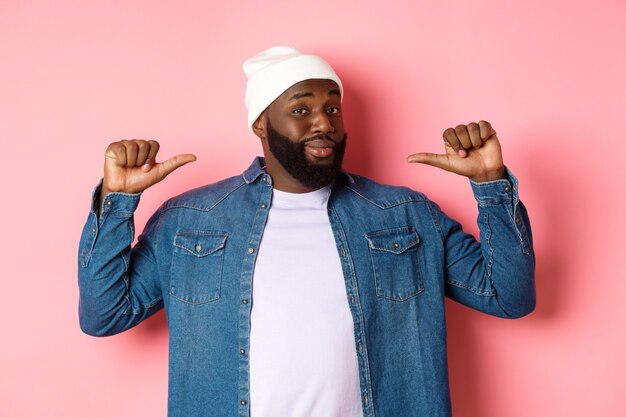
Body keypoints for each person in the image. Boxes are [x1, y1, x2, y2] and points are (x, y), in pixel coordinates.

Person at [78, 46, 535, 417]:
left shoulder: (405, 215)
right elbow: (104, 314)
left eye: (332, 108)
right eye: (301, 109)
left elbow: (509, 297)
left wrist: (490, 185)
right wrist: (118, 202)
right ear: (261, 123)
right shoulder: (192, 220)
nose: (324, 123)